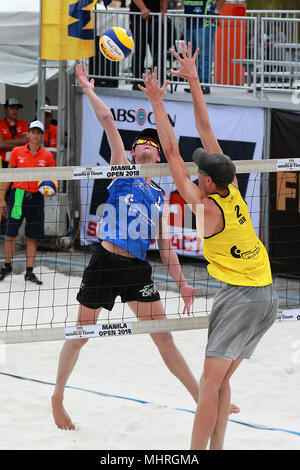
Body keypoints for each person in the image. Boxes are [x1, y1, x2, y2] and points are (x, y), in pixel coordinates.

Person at [140, 43, 278, 450]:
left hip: (242, 298)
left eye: (199, 169)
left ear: (206, 181)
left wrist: (156, 103)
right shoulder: (231, 185)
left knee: (207, 386)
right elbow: (204, 128)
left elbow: (170, 151)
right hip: (266, 294)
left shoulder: (204, 208)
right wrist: (195, 82)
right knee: (219, 385)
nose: (196, 168)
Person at [51, 63, 200, 431]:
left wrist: (181, 283)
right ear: (134, 155)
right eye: (141, 145)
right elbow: (108, 123)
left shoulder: (160, 195)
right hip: (105, 261)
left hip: (137, 271)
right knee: (81, 334)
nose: (146, 147)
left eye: (152, 144)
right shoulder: (123, 170)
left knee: (164, 338)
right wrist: (87, 87)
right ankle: (57, 396)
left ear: (159, 157)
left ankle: (203, 398)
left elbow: (166, 247)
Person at [0, 120, 56, 285]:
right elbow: (8, 177)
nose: (35, 135)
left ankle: (29, 272)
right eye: (33, 132)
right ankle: (7, 266)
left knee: (32, 237)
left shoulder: (47, 156)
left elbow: (53, 180)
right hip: (17, 196)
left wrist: (51, 188)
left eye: (39, 132)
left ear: (42, 136)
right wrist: (2, 198)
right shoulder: (17, 151)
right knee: (11, 234)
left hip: (37, 198)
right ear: (28, 134)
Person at [184, 0, 226, 94]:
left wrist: (217, 11)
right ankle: (195, 85)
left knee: (204, 56)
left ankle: (204, 85)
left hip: (204, 22)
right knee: (192, 57)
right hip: (190, 23)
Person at [129, 0, 168, 90]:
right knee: (140, 50)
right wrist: (143, 9)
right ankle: (138, 82)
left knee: (158, 51)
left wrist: (163, 13)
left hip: (156, 17)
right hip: (138, 17)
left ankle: (159, 82)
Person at [0, 98, 29, 169]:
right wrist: (20, 145)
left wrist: (5, 142)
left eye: (17, 108)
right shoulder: (0, 124)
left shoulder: (23, 124)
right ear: (5, 109)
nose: (15, 111)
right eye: (12, 108)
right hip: (3, 161)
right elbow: (1, 144)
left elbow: (26, 141)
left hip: (20, 160)